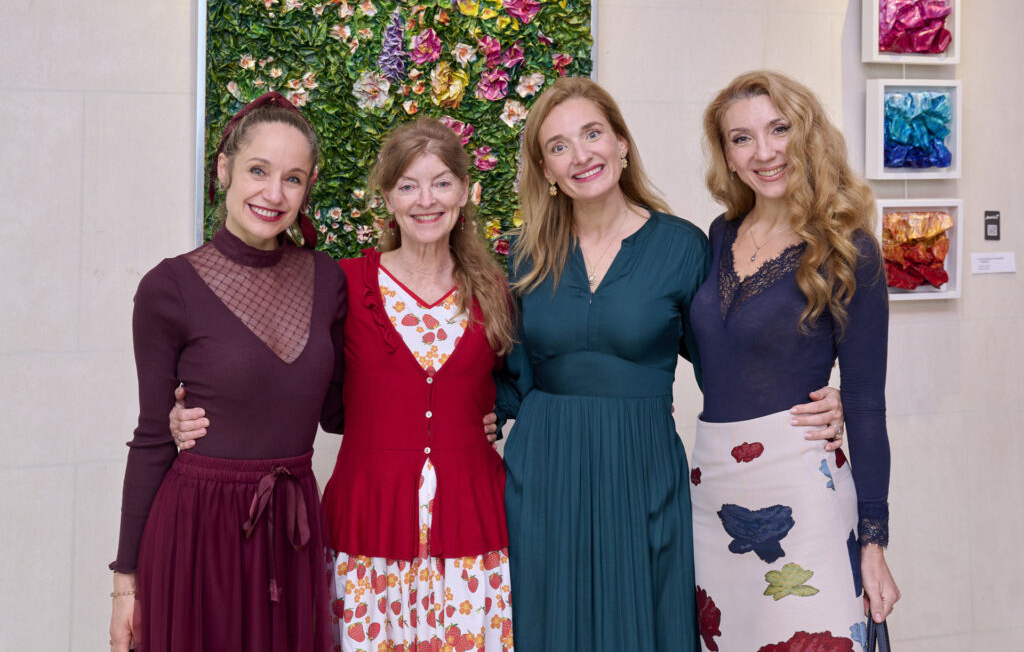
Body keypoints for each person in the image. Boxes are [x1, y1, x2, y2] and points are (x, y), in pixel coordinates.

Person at [493, 76, 845, 652]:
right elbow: (507, 366)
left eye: (592, 134)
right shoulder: (524, 252)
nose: (580, 155)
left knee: (643, 624)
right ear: (545, 169)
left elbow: (728, 359)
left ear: (621, 143)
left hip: (641, 467)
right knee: (546, 623)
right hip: (544, 467)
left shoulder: (684, 247)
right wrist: (478, 413)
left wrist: (822, 397)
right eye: (558, 146)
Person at [173, 118, 516, 651]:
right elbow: (288, 375)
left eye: (442, 183)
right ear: (388, 198)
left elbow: (533, 374)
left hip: (471, 535)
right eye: (408, 185)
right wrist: (191, 415)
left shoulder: (496, 288)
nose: (426, 200)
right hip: (367, 531)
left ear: (465, 191)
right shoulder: (344, 283)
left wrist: (503, 408)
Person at [109, 92, 346, 652]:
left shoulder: (328, 280)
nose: (274, 193)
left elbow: (341, 412)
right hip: (197, 535)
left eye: (292, 178)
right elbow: (152, 439)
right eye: (258, 170)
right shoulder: (169, 287)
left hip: (292, 535)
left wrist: (464, 407)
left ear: (308, 187)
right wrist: (125, 587)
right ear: (224, 170)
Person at [688, 70, 899, 651]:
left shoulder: (850, 248)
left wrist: (873, 542)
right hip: (713, 489)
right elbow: (714, 347)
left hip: (802, 490)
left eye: (778, 129)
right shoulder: (719, 235)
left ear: (807, 134)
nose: (764, 152)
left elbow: (866, 401)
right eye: (742, 138)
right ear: (727, 157)